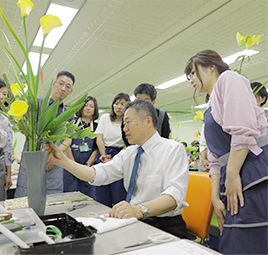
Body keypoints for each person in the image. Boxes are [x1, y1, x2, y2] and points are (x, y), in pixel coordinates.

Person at [47, 100, 189, 238]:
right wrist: (63, 161)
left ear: (148, 121)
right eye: (123, 124)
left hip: (165, 226)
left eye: (128, 122)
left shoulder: (173, 150)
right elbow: (97, 174)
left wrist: (138, 210)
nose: (124, 129)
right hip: (135, 221)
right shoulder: (130, 152)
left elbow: (174, 197)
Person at [184, 49, 267, 254]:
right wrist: (214, 198)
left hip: (251, 175)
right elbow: (214, 160)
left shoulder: (229, 79)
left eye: (194, 72)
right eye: (189, 76)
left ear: (212, 66)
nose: (191, 79)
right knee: (232, 242)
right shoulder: (210, 106)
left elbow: (243, 130)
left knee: (249, 241)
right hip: (231, 178)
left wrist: (231, 174)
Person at [15, 70, 75, 197]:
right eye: (61, 83)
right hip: (33, 159)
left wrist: (53, 155)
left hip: (54, 164)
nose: (63, 88)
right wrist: (44, 154)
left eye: (68, 86)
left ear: (71, 91)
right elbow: (29, 130)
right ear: (53, 84)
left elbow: (68, 139)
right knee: (26, 196)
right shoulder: (35, 104)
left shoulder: (68, 113)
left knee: (52, 201)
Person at [95, 93, 130, 207]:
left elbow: (128, 142)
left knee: (118, 192)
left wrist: (115, 160)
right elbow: (99, 139)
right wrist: (104, 156)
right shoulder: (105, 118)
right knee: (102, 191)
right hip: (104, 154)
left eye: (122, 104)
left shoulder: (128, 121)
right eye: (116, 103)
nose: (119, 107)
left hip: (121, 154)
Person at [63, 96, 99, 199]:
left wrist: (87, 165)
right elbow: (66, 145)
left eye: (91, 106)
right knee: (70, 199)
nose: (88, 108)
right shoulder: (72, 123)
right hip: (71, 167)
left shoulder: (97, 127)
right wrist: (73, 165)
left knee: (89, 200)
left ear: (95, 109)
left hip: (88, 168)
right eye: (85, 105)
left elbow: (96, 149)